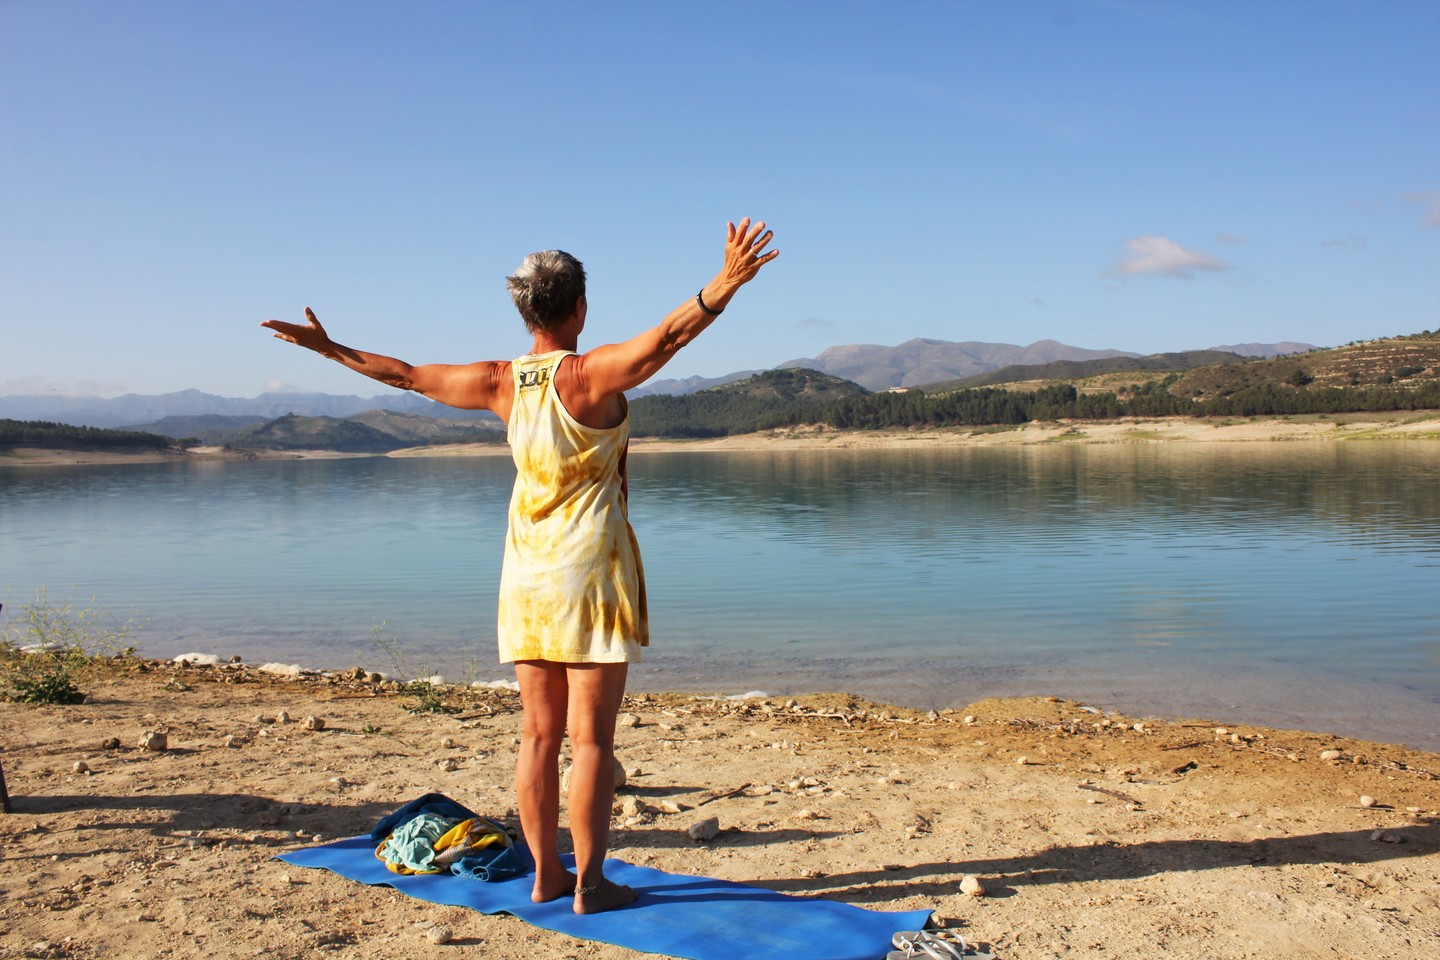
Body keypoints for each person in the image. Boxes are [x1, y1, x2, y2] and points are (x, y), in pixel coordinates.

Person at [261, 218, 778, 913]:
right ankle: (590, 884)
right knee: (591, 740)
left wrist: (329, 349)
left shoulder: (500, 382)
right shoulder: (591, 375)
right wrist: (725, 283)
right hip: (591, 573)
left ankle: (545, 874)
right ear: (580, 309)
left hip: (528, 579)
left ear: (524, 311)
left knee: (538, 735)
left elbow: (408, 376)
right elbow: (668, 339)